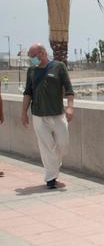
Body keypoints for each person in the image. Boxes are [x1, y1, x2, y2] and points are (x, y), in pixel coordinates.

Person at [21, 44, 74, 189]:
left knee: (63, 144)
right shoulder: (31, 71)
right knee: (46, 147)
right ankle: (51, 178)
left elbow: (69, 89)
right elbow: (27, 93)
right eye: (30, 57)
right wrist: (23, 113)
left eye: (33, 56)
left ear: (42, 53)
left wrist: (70, 107)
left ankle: (55, 163)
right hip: (38, 115)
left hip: (58, 114)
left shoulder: (59, 67)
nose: (31, 60)